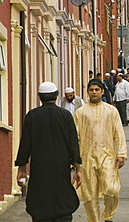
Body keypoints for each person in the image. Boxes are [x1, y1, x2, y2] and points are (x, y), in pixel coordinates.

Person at [15, 82, 82, 222]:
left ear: (40, 97)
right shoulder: (65, 115)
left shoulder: (32, 116)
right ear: (57, 96)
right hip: (61, 167)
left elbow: (25, 144)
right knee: (62, 196)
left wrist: (21, 168)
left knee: (40, 198)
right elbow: (73, 144)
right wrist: (78, 169)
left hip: (40, 167)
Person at [73, 79, 127, 222]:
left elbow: (118, 133)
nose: (94, 92)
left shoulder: (111, 111)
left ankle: (108, 216)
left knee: (111, 189)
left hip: (108, 156)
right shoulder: (80, 113)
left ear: (102, 91)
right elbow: (73, 137)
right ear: (88, 92)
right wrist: (73, 158)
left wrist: (121, 154)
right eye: (92, 90)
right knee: (89, 194)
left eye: (97, 89)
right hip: (86, 157)